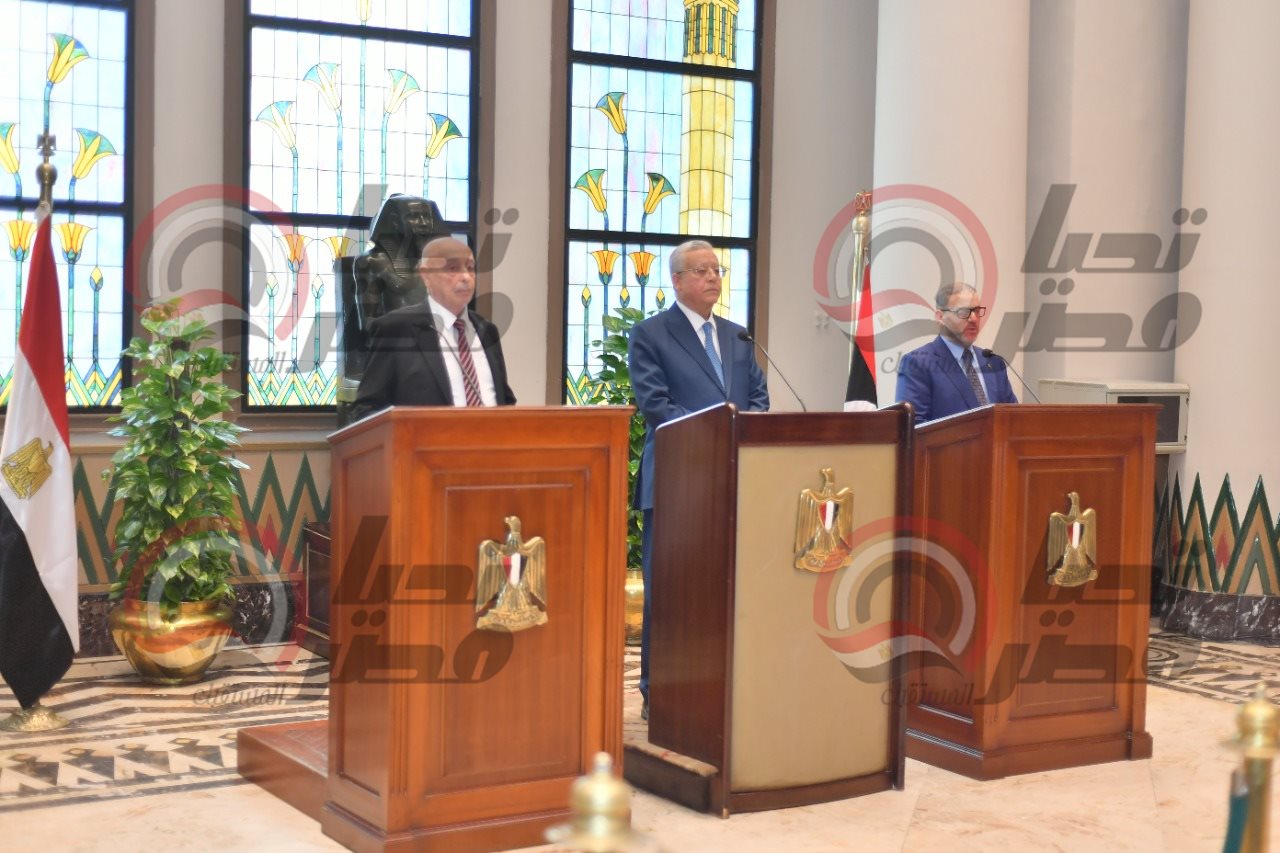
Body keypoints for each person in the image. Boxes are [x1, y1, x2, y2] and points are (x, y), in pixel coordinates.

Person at [628, 239, 770, 719]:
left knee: (724, 586)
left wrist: (741, 430)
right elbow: (655, 404)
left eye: (717, 270)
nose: (713, 278)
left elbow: (758, 397)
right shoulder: (651, 334)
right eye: (702, 270)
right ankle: (659, 690)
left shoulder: (737, 336)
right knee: (670, 588)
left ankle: (721, 684)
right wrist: (714, 433)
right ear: (677, 280)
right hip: (677, 478)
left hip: (732, 479)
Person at [351, 237, 516, 419]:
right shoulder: (395, 329)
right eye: (452, 268)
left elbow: (505, 400)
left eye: (470, 268)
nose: (466, 277)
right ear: (426, 275)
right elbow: (367, 409)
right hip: (422, 437)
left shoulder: (487, 330)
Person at [895, 282, 1017, 422]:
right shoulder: (917, 364)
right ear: (940, 317)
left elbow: (1013, 418)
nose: (974, 319)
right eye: (964, 312)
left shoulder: (993, 362)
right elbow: (913, 426)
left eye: (977, 311)